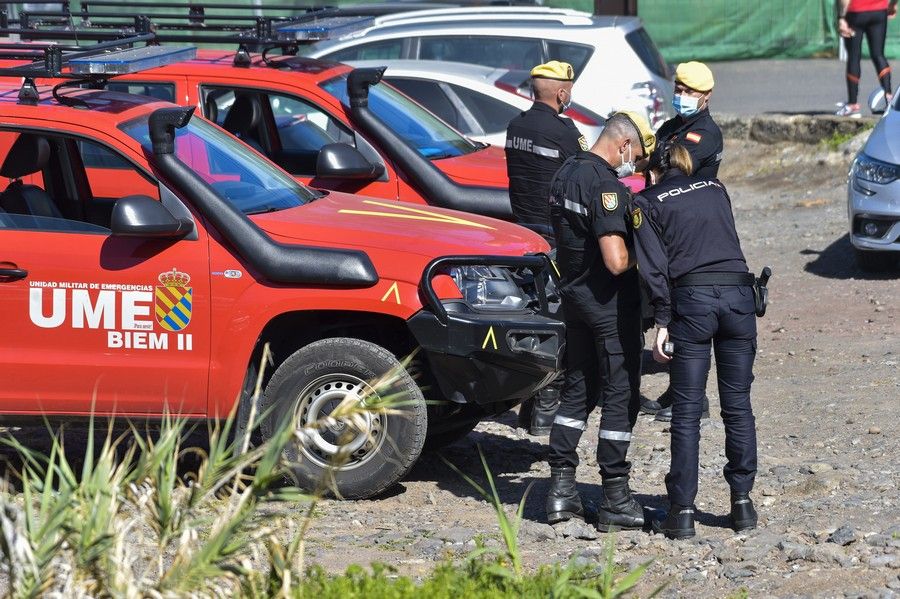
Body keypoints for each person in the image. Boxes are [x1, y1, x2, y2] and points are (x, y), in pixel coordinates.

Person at [632, 143, 759, 539]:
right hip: (740, 296)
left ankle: (682, 512)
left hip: (694, 301)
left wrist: (662, 321)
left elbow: (654, 270)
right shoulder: (716, 187)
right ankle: (742, 504)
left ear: (653, 172)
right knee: (737, 405)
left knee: (687, 413)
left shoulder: (647, 202)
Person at [545, 111, 656, 532]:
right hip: (610, 305)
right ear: (625, 145)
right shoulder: (606, 185)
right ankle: (615, 496)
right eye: (638, 155)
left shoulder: (565, 174)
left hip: (574, 300)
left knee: (577, 390)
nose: (637, 163)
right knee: (620, 395)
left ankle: (560, 488)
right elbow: (615, 260)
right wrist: (646, 260)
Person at [506, 60, 589, 436]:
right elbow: (581, 175)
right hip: (554, 237)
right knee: (561, 319)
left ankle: (528, 401)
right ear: (562, 92)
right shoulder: (563, 132)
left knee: (532, 315)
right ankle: (545, 406)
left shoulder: (516, 125)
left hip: (521, 234)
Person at [641, 61, 723, 421]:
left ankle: (696, 401)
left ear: (705, 97)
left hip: (690, 228)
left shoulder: (705, 134)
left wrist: (656, 159)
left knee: (689, 310)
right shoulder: (672, 127)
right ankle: (678, 390)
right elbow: (652, 160)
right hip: (665, 221)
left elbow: (675, 167)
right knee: (670, 305)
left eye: (689, 92)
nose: (681, 96)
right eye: (678, 89)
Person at [836, 0, 897, 117]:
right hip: (879, 11)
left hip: (855, 12)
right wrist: (893, 4)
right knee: (878, 54)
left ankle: (852, 105)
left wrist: (841, 17)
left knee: (854, 57)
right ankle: (889, 98)